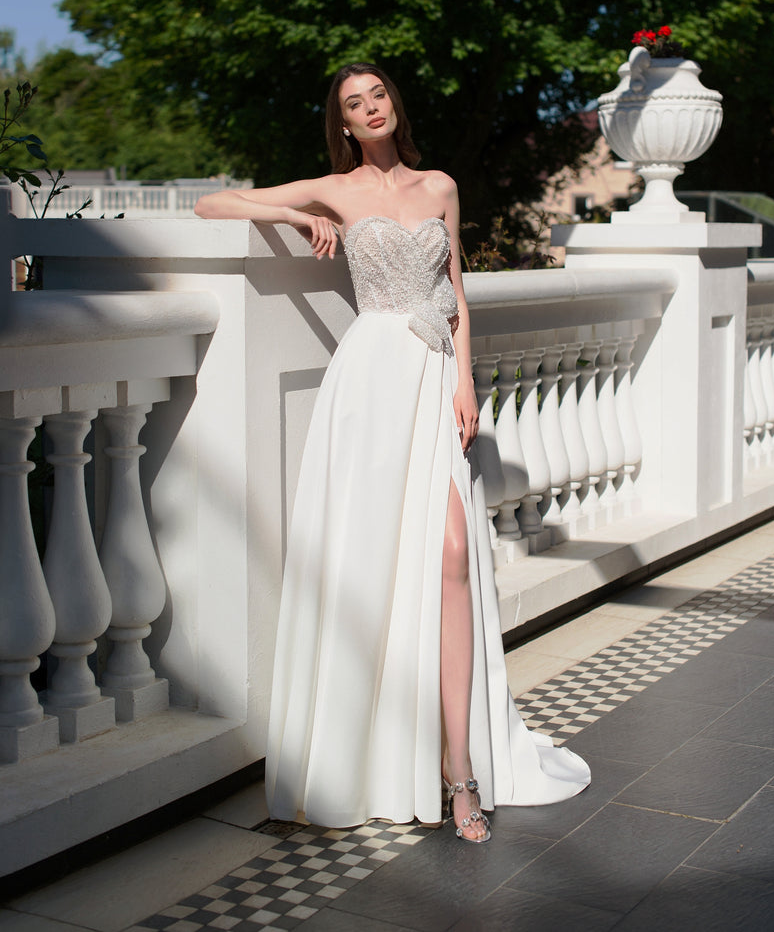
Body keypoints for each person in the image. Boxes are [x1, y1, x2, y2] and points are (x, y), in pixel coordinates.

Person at [195, 63, 590, 843]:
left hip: (435, 374)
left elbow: (459, 292)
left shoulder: (439, 185)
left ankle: (461, 770)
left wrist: (467, 385)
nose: (369, 108)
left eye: (376, 96)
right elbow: (214, 202)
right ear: (342, 123)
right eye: (353, 103)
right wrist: (300, 219)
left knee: (450, 556)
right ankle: (373, 757)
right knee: (370, 559)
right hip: (370, 379)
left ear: (393, 107)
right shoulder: (336, 190)